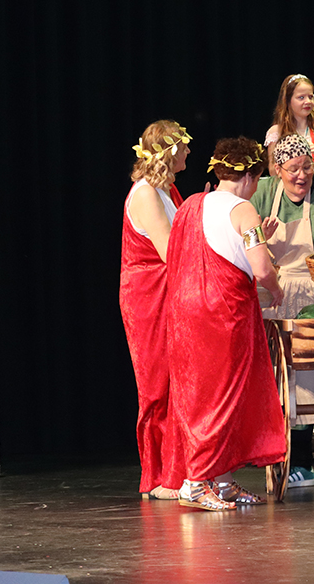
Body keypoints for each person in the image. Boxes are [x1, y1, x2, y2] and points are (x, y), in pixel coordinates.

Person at [166, 138, 287, 511]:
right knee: (221, 396)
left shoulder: (191, 205)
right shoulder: (244, 210)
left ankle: (221, 480)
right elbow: (262, 267)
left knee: (208, 394)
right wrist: (276, 289)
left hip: (187, 312)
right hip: (224, 313)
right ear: (249, 176)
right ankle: (194, 483)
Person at [250, 133, 314, 491]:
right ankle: (299, 463)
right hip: (279, 294)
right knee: (290, 383)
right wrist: (260, 236)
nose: (302, 175)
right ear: (277, 169)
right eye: (293, 169)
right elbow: (244, 240)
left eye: (307, 167)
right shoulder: (262, 193)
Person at [119, 120, 191, 500]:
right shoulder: (146, 194)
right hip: (149, 299)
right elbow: (170, 252)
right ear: (170, 151)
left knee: (177, 380)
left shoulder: (168, 189)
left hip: (168, 293)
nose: (189, 151)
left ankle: (181, 470)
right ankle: (159, 476)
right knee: (157, 383)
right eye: (184, 145)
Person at [265, 73, 314, 176]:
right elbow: (273, 171)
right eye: (301, 97)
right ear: (288, 101)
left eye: (310, 97)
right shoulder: (277, 131)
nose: (308, 101)